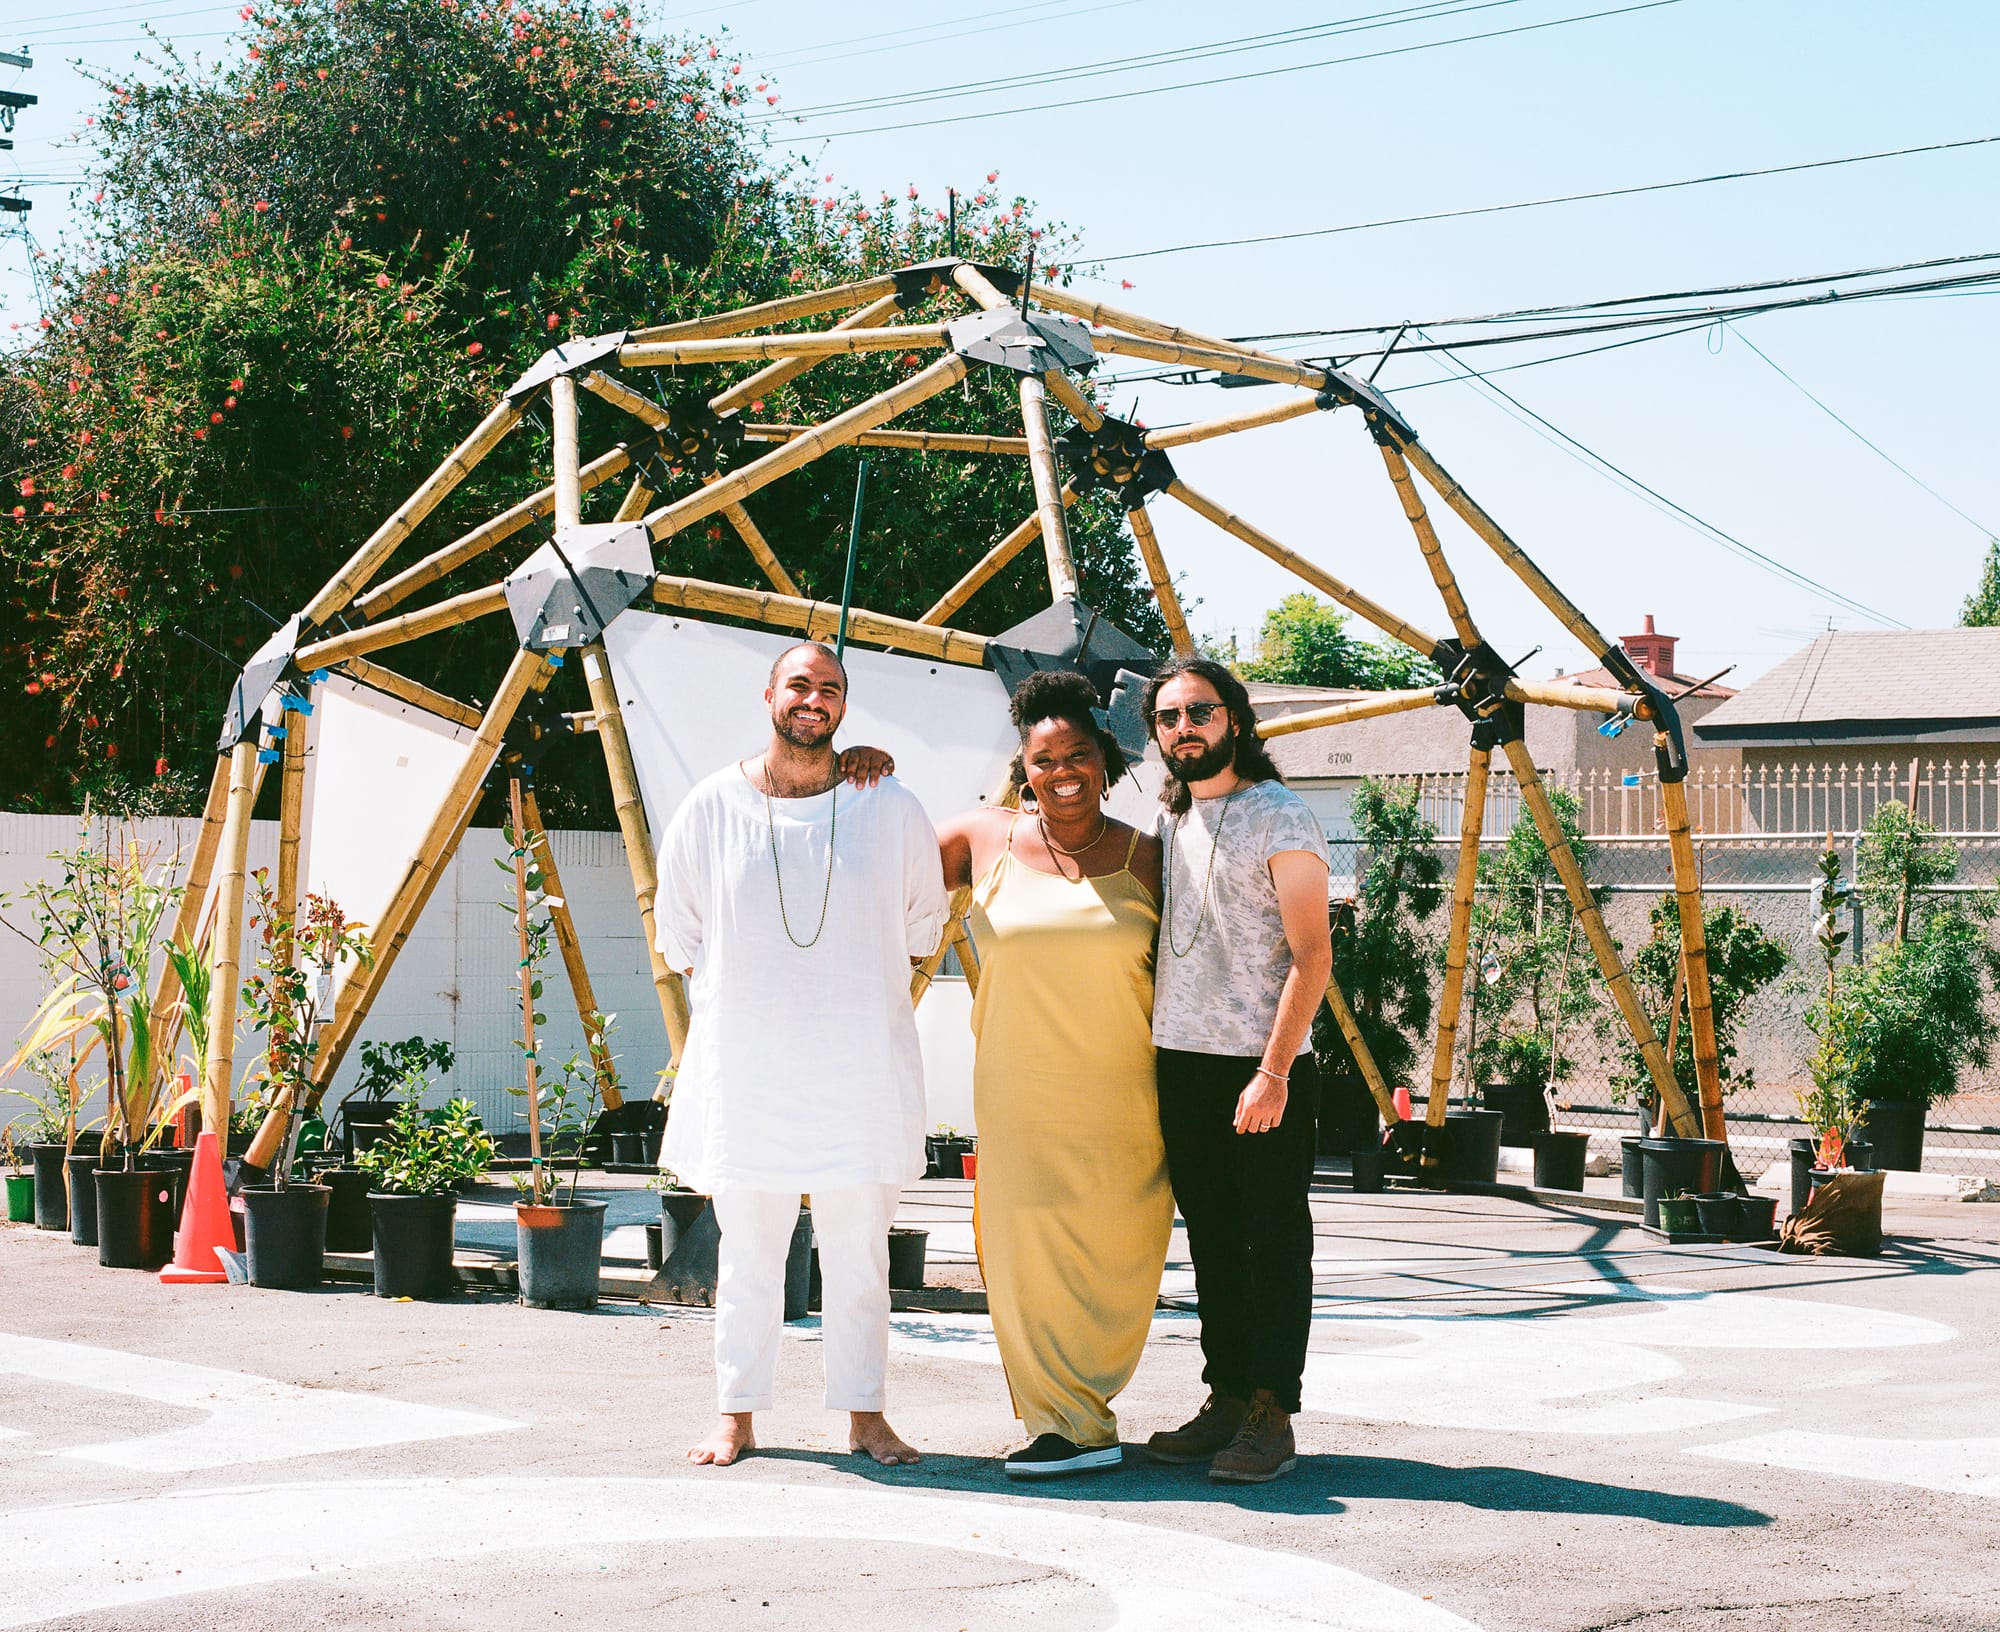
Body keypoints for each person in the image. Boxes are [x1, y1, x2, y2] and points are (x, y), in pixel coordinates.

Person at [653, 640, 949, 1469]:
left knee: (860, 1260)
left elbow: (924, 923)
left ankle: (866, 1417)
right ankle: (735, 1416)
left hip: (859, 1075)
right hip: (749, 1077)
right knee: (749, 1260)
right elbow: (680, 936)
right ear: (769, 694)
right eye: (800, 684)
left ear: (845, 708)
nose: (813, 698)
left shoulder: (889, 808)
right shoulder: (711, 806)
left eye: (831, 688)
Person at [935, 670, 1171, 1479]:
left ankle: (1090, 1407)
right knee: (1025, 1254)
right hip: (1020, 1098)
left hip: (1126, 1106)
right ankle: (1062, 1425)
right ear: (1023, 768)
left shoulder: (1149, 858)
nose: (1062, 771)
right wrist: (859, 765)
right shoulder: (979, 837)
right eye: (1044, 759)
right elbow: (868, 867)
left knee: (1121, 1260)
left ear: (1106, 762)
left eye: (1079, 754)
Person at [1139, 655, 1332, 1485]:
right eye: (1171, 717)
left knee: (1272, 1242)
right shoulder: (1171, 823)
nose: (1186, 728)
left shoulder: (1279, 815)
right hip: (1181, 1066)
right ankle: (1224, 1396)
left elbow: (1313, 955)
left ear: (1236, 721)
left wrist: (1274, 1071)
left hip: (1261, 1071)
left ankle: (1271, 1409)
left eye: (1201, 712)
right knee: (1214, 1242)